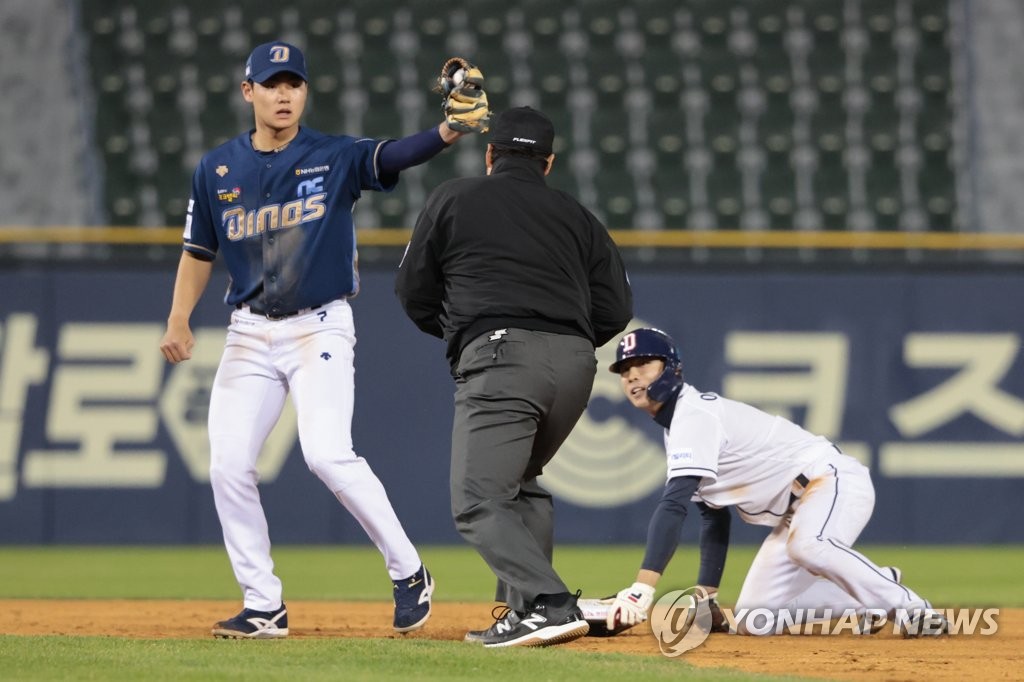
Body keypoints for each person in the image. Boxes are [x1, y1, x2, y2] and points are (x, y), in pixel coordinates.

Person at [158, 41, 489, 639]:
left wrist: (447, 130)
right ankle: (264, 604)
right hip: (250, 332)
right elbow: (198, 251)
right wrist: (179, 316)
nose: (284, 94)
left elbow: (393, 156)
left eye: (294, 84)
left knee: (325, 453)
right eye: (272, 83)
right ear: (248, 92)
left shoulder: (331, 155)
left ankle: (409, 570)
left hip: (319, 326)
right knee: (228, 465)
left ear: (305, 92)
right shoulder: (217, 168)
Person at [394, 106, 633, 648]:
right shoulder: (579, 216)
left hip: (500, 355)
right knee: (521, 484)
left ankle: (550, 604)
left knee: (477, 499)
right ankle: (525, 613)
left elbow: (413, 290)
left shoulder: (454, 197)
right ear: (548, 162)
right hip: (575, 363)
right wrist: (564, 341)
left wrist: (467, 334)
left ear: (489, 155)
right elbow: (617, 308)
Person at [605, 327, 950, 637]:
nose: (633, 376)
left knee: (809, 545)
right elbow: (713, 515)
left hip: (829, 479)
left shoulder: (694, 416)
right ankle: (876, 589)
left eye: (644, 364)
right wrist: (707, 593)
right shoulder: (678, 427)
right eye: (624, 370)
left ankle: (913, 610)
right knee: (754, 619)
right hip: (797, 510)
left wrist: (642, 589)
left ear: (672, 368)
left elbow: (673, 506)